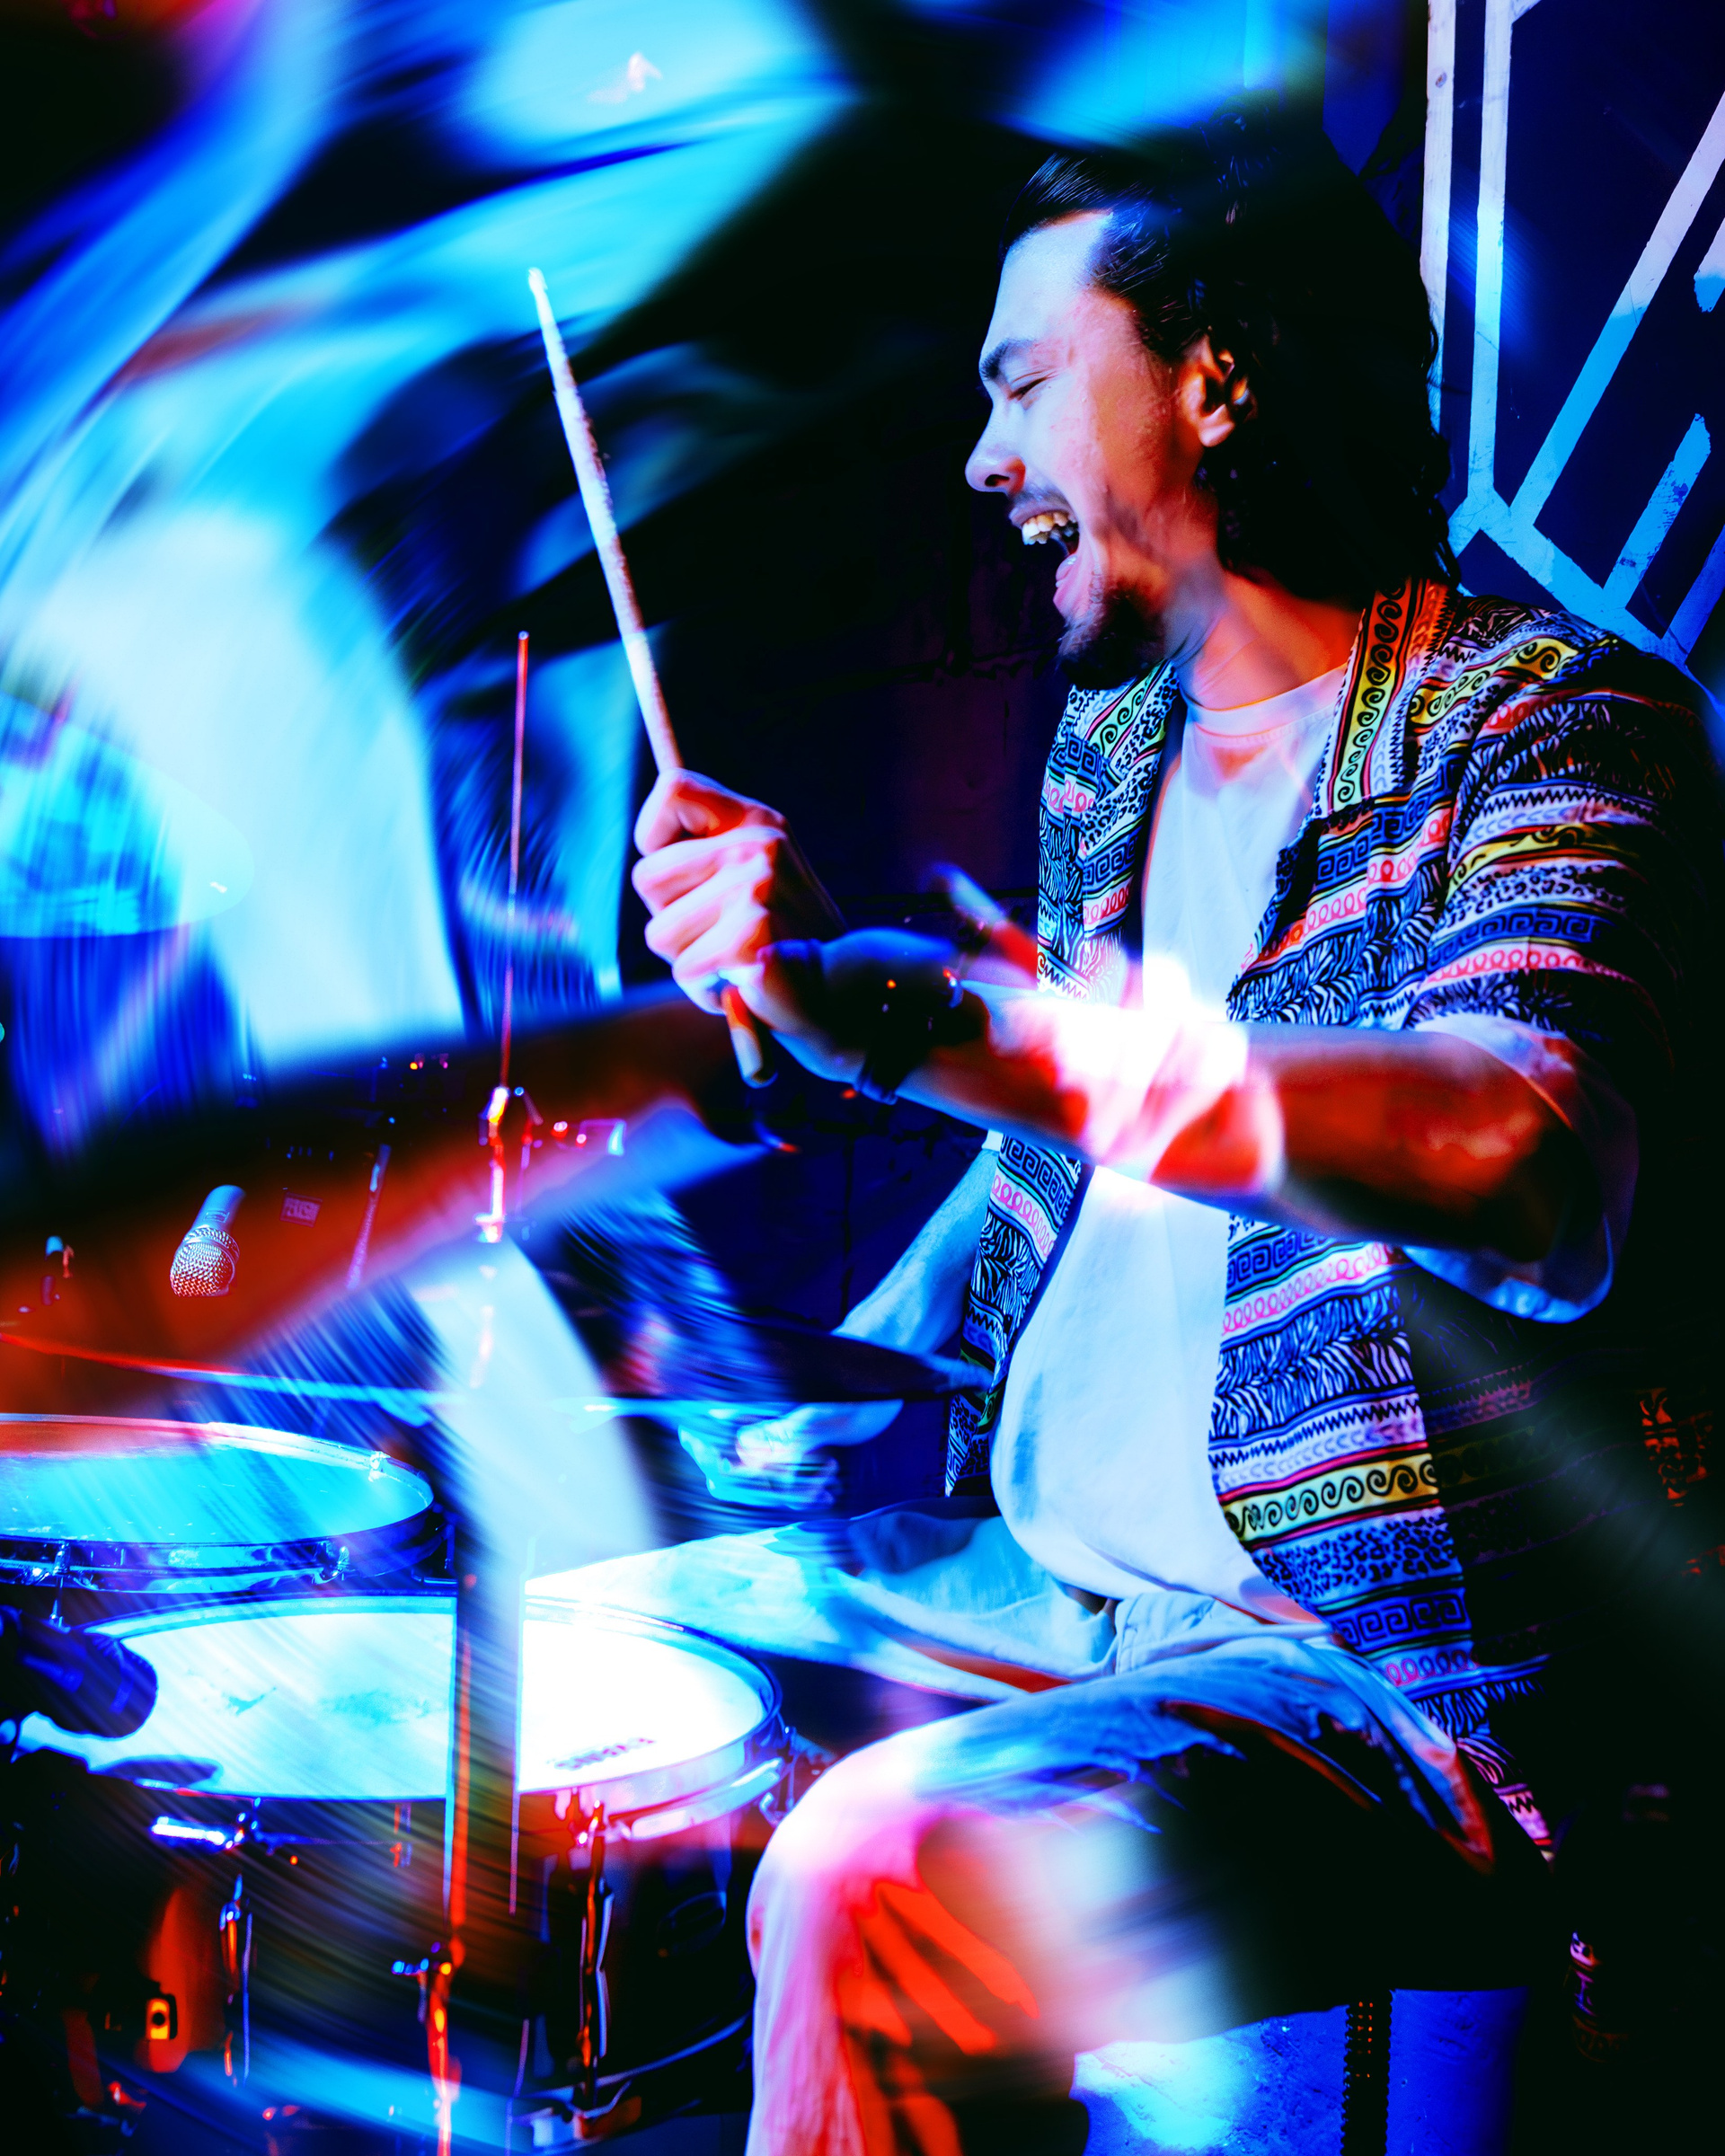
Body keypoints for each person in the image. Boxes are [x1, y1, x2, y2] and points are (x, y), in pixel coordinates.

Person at [630, 106, 1722, 2153]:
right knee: (580, 1662)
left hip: (1385, 1669)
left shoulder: (1551, 720)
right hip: (1056, 1590)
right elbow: (1077, 1184)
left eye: (1021, 382)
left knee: (872, 1869)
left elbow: (1521, 1153)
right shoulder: (1111, 749)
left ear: (1215, 379)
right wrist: (791, 1362)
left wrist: (919, 1018)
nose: (982, 458)